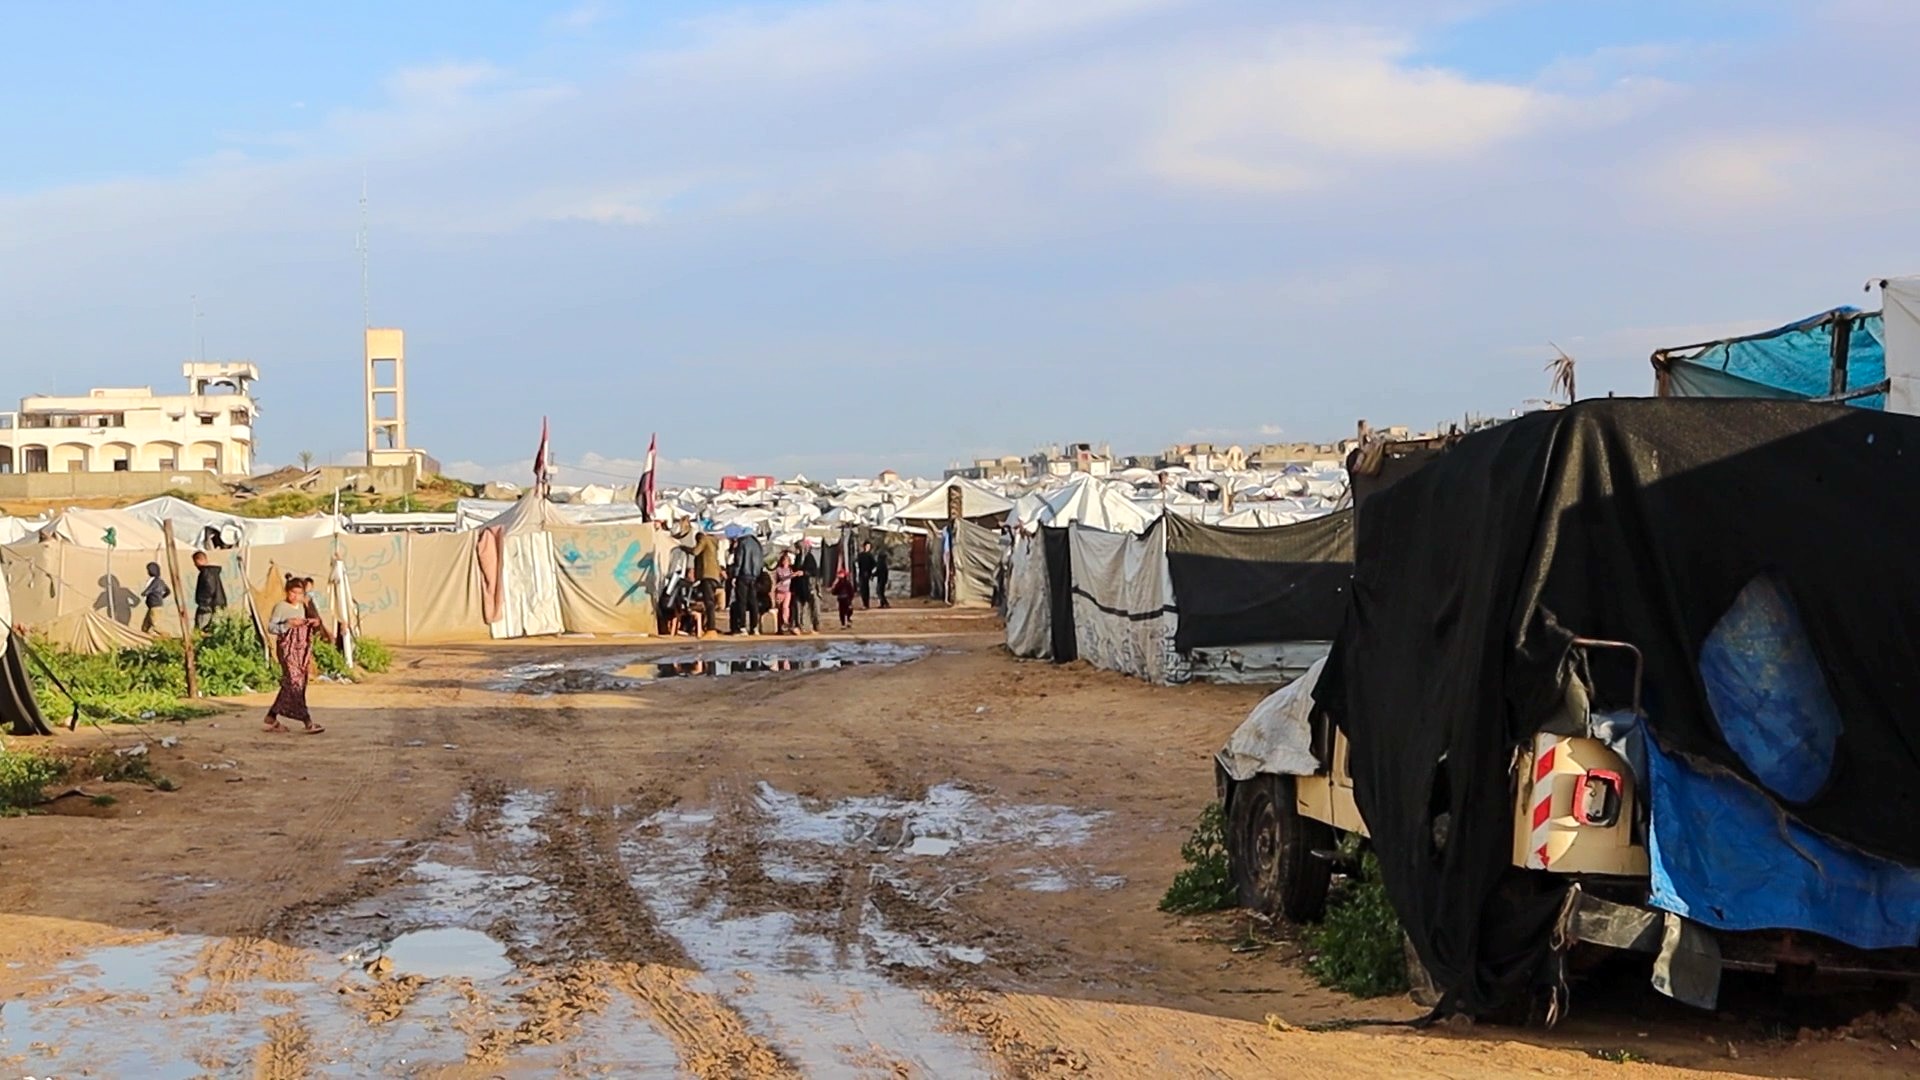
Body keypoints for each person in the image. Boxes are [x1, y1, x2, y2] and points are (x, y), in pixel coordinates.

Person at [264, 579, 325, 734]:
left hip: (301, 651)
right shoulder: (280, 607)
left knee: (296, 683)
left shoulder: (303, 606)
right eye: (293, 592)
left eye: (299, 593)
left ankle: (271, 716)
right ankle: (307, 721)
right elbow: (271, 627)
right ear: (287, 591)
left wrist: (311, 622)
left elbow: (315, 623)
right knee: (294, 682)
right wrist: (287, 625)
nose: (295, 596)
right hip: (287, 650)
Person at [681, 523, 723, 639]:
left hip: (707, 575)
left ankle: (711, 629)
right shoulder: (713, 543)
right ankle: (708, 627)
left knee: (708, 603)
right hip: (714, 576)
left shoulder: (704, 539)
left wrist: (684, 548)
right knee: (710, 603)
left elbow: (695, 551)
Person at [730, 529, 767, 635]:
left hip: (743, 575)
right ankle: (754, 627)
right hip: (755, 576)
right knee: (753, 602)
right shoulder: (758, 544)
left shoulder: (743, 543)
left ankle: (742, 627)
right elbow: (761, 562)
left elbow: (739, 560)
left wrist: (735, 575)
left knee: (742, 601)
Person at [791, 541, 821, 634]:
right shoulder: (798, 558)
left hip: (809, 587)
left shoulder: (810, 558)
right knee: (798, 608)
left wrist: (804, 573)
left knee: (811, 607)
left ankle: (813, 626)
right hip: (799, 587)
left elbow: (814, 572)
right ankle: (800, 626)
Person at [192, 551, 226, 630]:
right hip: (218, 603)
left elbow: (210, 587)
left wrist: (203, 601)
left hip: (207, 606)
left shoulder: (206, 572)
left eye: (195, 562)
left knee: (201, 630)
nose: (195, 565)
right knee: (216, 629)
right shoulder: (213, 572)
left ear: (199, 560)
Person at [140, 562, 171, 634]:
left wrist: (144, 593)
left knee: (156, 627)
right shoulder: (160, 581)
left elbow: (150, 589)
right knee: (145, 627)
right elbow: (168, 591)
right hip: (154, 606)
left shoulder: (155, 581)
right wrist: (161, 597)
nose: (148, 572)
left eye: (148, 570)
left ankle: (167, 637)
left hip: (155, 607)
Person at [773, 552, 795, 634]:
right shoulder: (779, 570)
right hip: (780, 591)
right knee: (780, 610)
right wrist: (792, 575)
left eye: (787, 561)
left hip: (787, 591)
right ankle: (779, 627)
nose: (785, 562)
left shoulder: (790, 569)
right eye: (784, 561)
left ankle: (786, 622)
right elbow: (782, 578)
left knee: (786, 607)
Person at [856, 542, 878, 609]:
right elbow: (858, 563)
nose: (868, 548)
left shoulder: (870, 556)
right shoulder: (861, 555)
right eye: (867, 546)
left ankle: (866, 604)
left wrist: (870, 572)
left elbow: (874, 564)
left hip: (867, 573)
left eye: (869, 546)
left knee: (865, 589)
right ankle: (864, 603)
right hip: (861, 573)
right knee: (862, 589)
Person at [873, 544, 892, 608]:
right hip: (883, 579)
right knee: (881, 592)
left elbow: (878, 571)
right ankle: (882, 604)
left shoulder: (880, 563)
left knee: (879, 592)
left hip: (881, 579)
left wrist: (873, 575)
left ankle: (885, 603)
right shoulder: (884, 563)